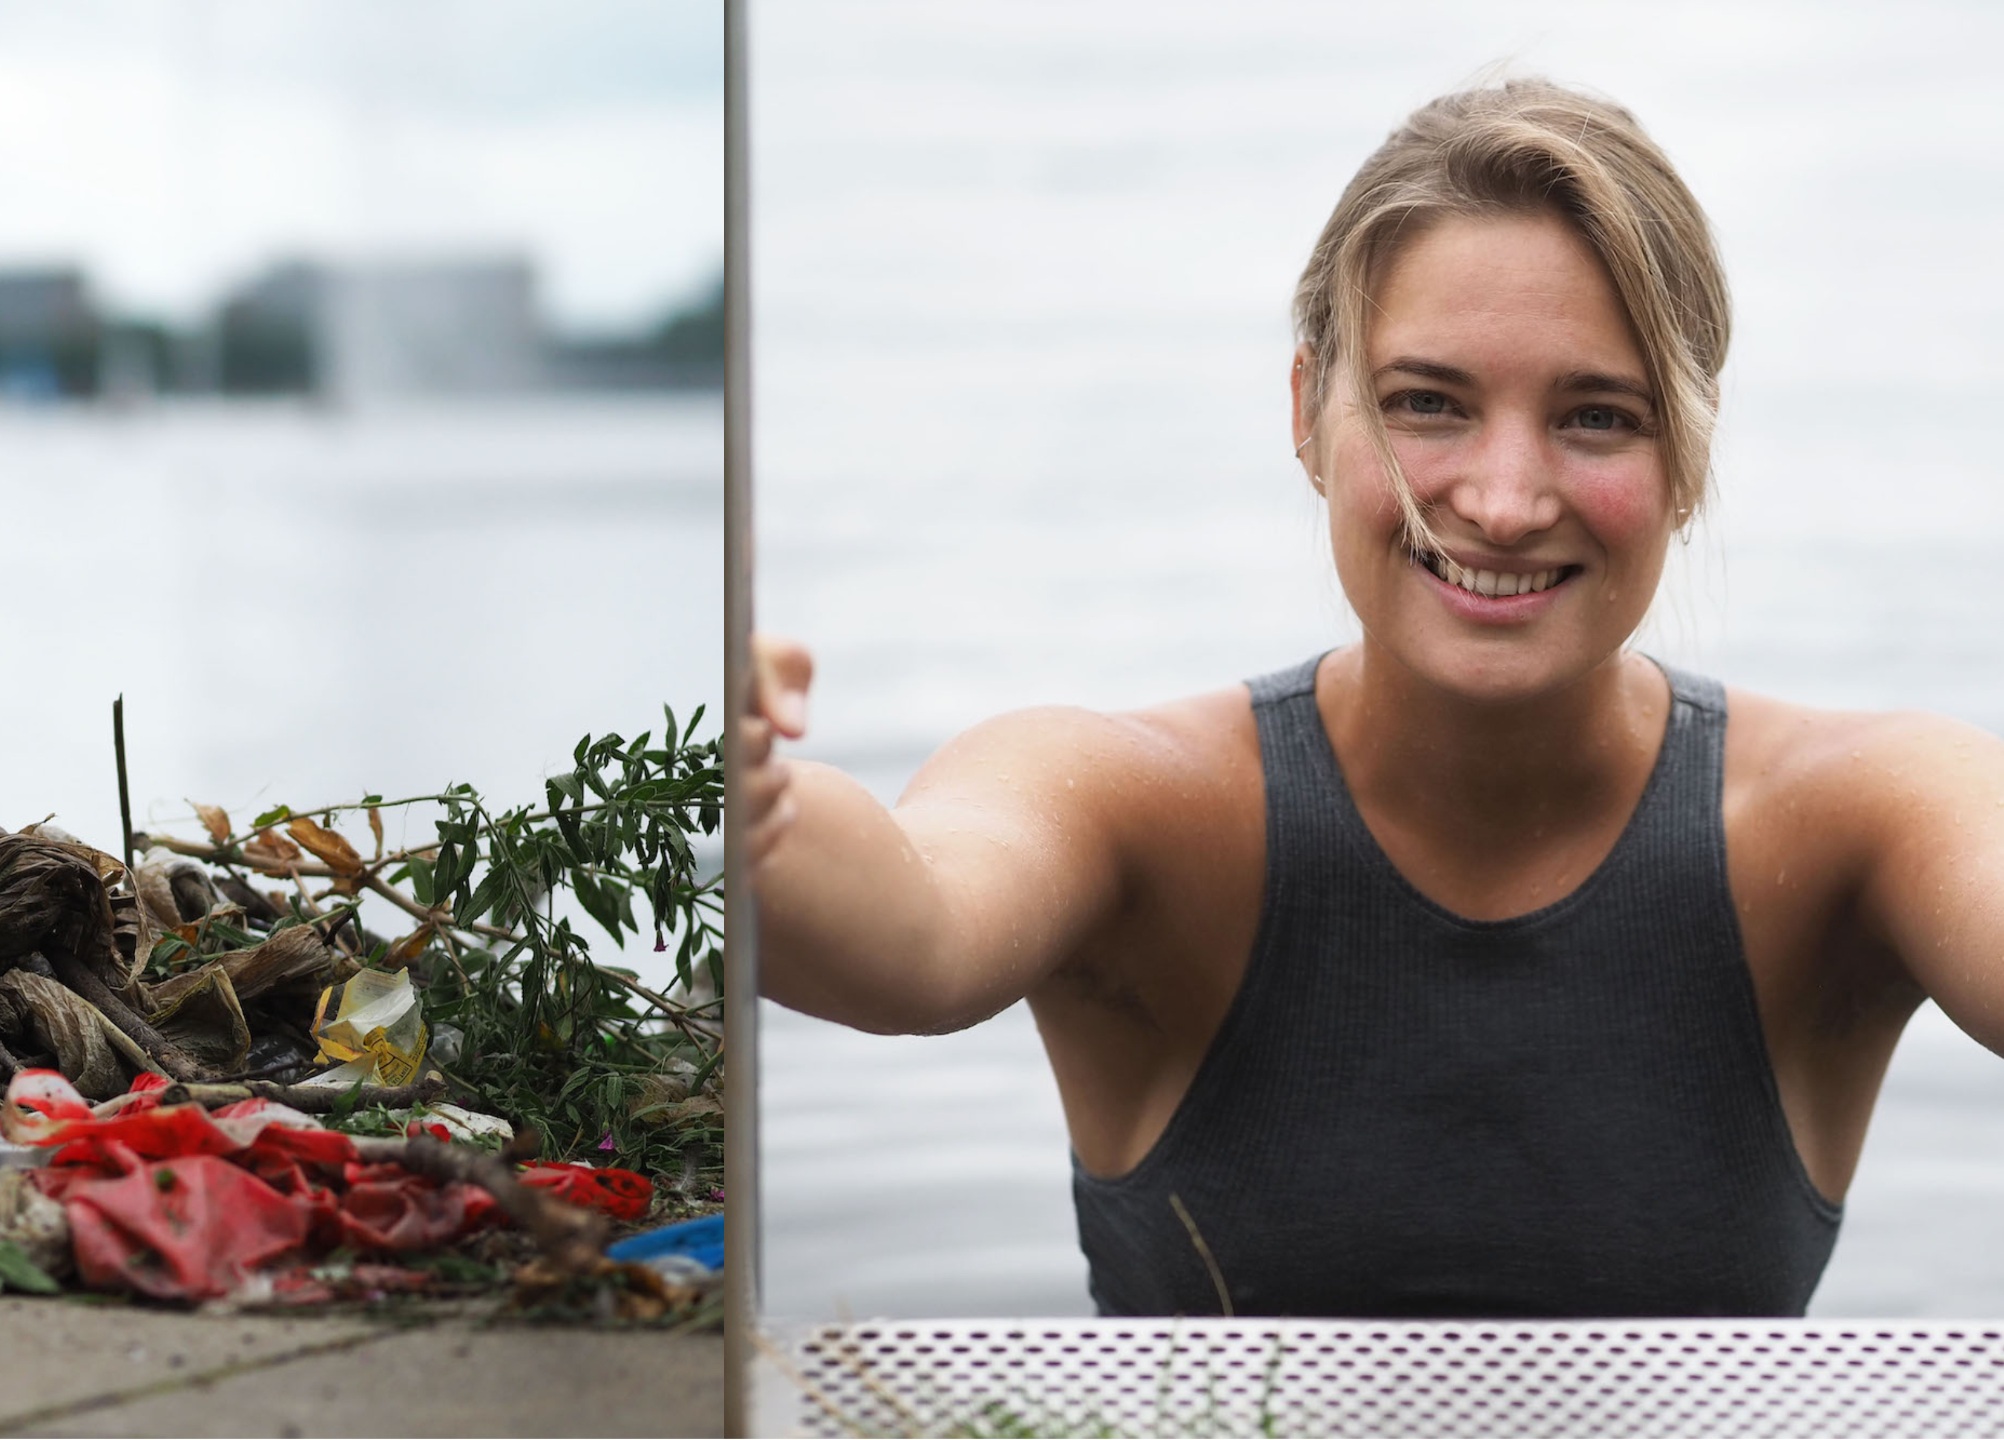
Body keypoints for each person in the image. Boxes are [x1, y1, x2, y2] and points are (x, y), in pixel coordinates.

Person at [744, 77, 2004, 1319]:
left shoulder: (1854, 818)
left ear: (1687, 451)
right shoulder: (1133, 803)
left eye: (1596, 417)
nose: (1504, 500)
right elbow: (914, 933)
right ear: (1309, 414)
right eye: (1426, 404)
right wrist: (752, 794)